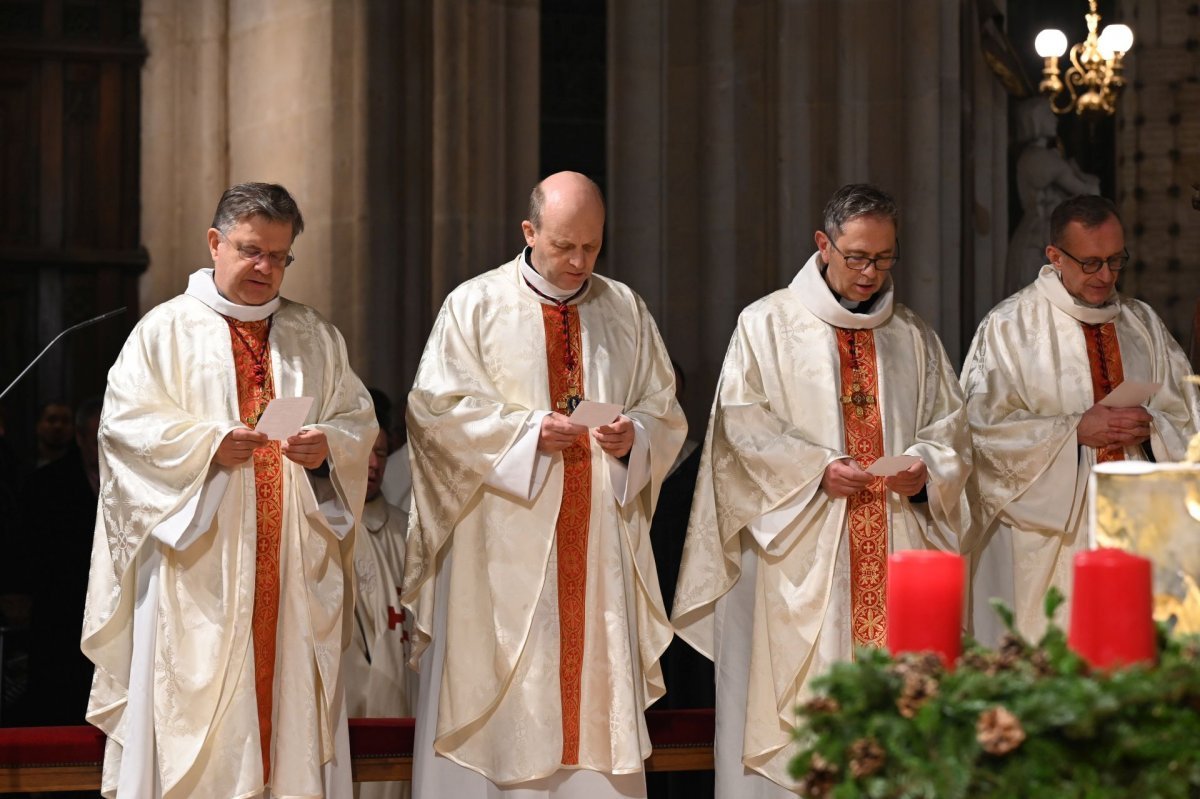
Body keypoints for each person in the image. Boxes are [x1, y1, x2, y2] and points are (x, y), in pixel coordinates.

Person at [672, 183, 972, 797]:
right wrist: (816, 472)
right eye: (858, 257)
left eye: (885, 259)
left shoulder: (913, 337)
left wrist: (923, 471)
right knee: (797, 727)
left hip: (892, 558)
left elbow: (952, 431)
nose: (871, 274)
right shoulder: (766, 325)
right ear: (823, 245)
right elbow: (738, 431)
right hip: (797, 567)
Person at [81, 182, 376, 798]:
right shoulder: (164, 333)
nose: (265, 268)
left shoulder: (315, 337)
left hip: (290, 572)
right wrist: (209, 447)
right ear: (215, 243)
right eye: (250, 251)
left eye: (279, 255)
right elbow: (125, 434)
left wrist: (327, 451)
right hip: (198, 578)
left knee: (286, 721)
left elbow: (356, 421)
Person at [403, 171, 687, 797]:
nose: (579, 262)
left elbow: (664, 409)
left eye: (592, 246)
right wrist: (528, 433)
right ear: (529, 232)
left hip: (596, 559)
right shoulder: (474, 305)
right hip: (500, 558)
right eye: (564, 246)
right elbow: (432, 413)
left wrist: (631, 437)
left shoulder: (624, 310)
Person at [962, 194, 1200, 644]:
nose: (1106, 276)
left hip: (1139, 526)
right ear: (1055, 257)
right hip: (1053, 540)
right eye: (1091, 263)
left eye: (1115, 260)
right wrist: (1073, 431)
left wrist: (1154, 426)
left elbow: (1189, 417)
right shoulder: (1010, 327)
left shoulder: (1141, 323)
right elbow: (978, 435)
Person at [340, 396, 416, 799]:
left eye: (381, 453)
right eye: (364, 451)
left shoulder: (408, 533)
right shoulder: (321, 530)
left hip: (400, 701)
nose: (373, 464)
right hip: (345, 707)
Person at [17, 397, 103, 725]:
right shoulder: (46, 484)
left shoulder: (131, 485)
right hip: (60, 606)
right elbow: (29, 548)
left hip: (107, 604)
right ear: (79, 437)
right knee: (57, 701)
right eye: (95, 438)